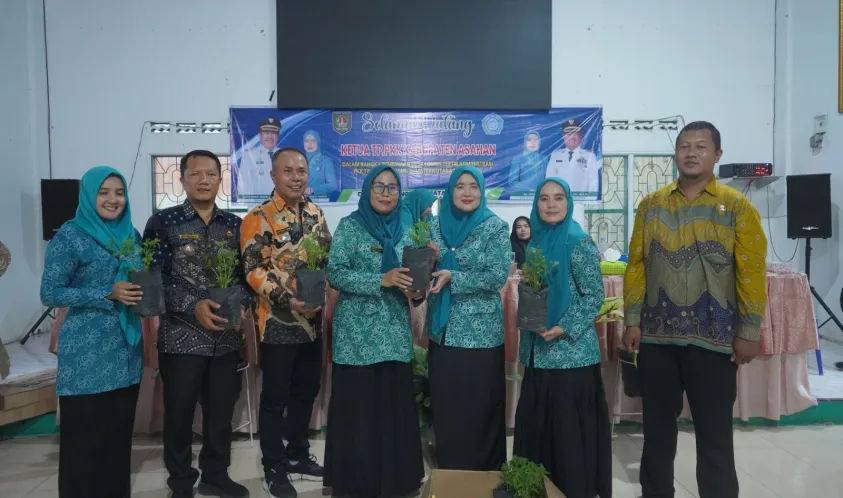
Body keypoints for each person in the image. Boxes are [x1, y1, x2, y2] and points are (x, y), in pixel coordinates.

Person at [623, 121, 768, 498]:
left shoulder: (736, 207)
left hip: (714, 342)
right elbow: (636, 265)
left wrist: (748, 332)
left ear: (717, 154)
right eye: (684, 146)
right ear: (675, 154)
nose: (691, 153)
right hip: (658, 340)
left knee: (714, 436)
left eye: (701, 147)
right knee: (656, 433)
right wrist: (632, 320)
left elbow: (751, 272)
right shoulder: (651, 205)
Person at [143, 150, 252, 498]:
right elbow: (154, 278)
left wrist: (243, 304)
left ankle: (215, 476)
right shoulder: (163, 222)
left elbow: (248, 277)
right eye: (196, 174)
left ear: (220, 179)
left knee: (221, 415)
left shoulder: (236, 225)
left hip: (226, 338)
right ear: (183, 180)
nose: (204, 181)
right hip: (181, 338)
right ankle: (180, 482)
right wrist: (194, 305)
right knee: (179, 414)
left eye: (211, 174)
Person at [40, 166, 144, 498]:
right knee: (84, 444)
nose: (113, 200)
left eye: (119, 193)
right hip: (87, 357)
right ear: (88, 196)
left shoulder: (131, 235)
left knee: (117, 442)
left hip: (126, 352)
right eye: (104, 192)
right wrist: (106, 293)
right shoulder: (70, 236)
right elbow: (50, 292)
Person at [324, 164, 425, 497]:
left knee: (392, 411)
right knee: (360, 413)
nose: (386, 193)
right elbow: (336, 273)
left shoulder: (407, 231)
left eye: (392, 187)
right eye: (379, 186)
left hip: (394, 336)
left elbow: (416, 284)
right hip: (357, 339)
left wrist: (416, 291)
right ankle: (358, 484)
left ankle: (396, 481)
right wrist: (379, 279)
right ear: (368, 190)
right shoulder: (351, 226)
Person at [240, 148, 332, 498]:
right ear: (273, 176)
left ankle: (297, 454)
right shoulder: (259, 216)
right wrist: (285, 299)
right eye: (288, 171)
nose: (296, 177)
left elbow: (326, 257)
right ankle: (274, 466)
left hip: (312, 321)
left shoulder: (315, 213)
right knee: (275, 398)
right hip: (277, 322)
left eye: (301, 170)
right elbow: (253, 270)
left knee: (306, 392)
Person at [513, 178, 611, 498]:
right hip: (538, 353)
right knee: (540, 431)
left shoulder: (577, 241)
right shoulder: (536, 242)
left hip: (570, 357)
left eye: (558, 198)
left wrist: (563, 326)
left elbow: (594, 296)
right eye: (544, 198)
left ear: (569, 202)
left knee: (567, 436)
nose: (551, 204)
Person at [426, 166, 510, 471]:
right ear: (450, 191)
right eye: (460, 186)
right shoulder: (434, 226)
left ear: (482, 191)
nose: (467, 192)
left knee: (481, 406)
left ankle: (485, 473)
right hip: (443, 332)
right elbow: (425, 269)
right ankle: (451, 471)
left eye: (473, 186)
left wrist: (454, 277)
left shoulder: (494, 226)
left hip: (481, 335)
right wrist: (428, 260)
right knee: (448, 405)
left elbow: (497, 276)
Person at [545, 119, 601, 199]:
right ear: (564, 137)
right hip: (560, 201)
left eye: (575, 133)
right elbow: (549, 180)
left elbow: (593, 183)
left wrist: (589, 202)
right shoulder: (555, 155)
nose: (571, 137)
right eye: (568, 134)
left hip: (581, 202)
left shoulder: (589, 156)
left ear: (580, 137)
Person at [237, 116, 281, 202]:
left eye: (273, 132)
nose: (270, 136)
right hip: (257, 205)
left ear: (278, 136)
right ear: (260, 136)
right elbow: (243, 185)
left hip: (282, 205)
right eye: (266, 132)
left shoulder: (285, 155)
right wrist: (249, 205)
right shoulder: (249, 155)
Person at [302, 130, 339, 197]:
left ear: (318, 142)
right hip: (299, 200)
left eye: (313, 141)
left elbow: (332, 186)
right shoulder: (299, 161)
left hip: (319, 200)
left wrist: (312, 190)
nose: (309, 144)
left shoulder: (326, 161)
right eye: (306, 141)